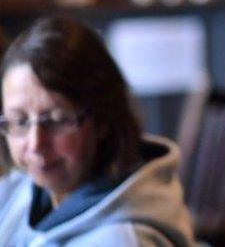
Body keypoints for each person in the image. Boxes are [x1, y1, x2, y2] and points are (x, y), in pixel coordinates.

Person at [0, 17, 195, 246]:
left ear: (102, 119)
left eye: (57, 120)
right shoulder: (26, 190)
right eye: (20, 121)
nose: (35, 144)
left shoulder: (122, 240)